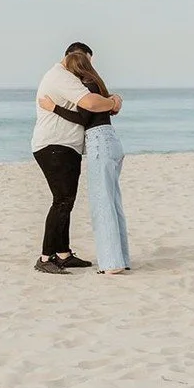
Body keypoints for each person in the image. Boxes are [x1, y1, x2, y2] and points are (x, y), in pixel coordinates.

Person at [32, 42, 122, 275]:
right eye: (85, 63)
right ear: (75, 58)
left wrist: (111, 100)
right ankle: (45, 257)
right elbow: (90, 105)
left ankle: (63, 254)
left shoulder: (68, 78)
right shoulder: (61, 77)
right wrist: (113, 102)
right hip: (54, 145)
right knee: (61, 200)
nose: (86, 68)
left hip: (66, 146)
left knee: (66, 200)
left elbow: (87, 110)